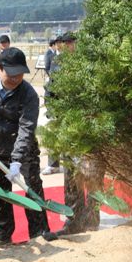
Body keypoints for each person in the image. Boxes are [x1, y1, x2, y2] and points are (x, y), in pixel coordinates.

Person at [0, 47, 56, 244]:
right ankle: (2, 235)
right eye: (12, 74)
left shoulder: (28, 94)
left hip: (24, 151)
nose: (16, 79)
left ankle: (39, 231)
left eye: (20, 74)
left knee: (32, 186)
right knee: (0, 192)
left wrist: (17, 160)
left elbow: (26, 128)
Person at [41, 32, 77, 175]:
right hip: (58, 104)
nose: (68, 46)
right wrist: (49, 104)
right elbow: (51, 84)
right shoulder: (56, 60)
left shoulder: (79, 61)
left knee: (72, 135)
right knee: (54, 134)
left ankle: (71, 162)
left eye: (70, 43)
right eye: (65, 43)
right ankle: (53, 164)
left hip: (73, 104)